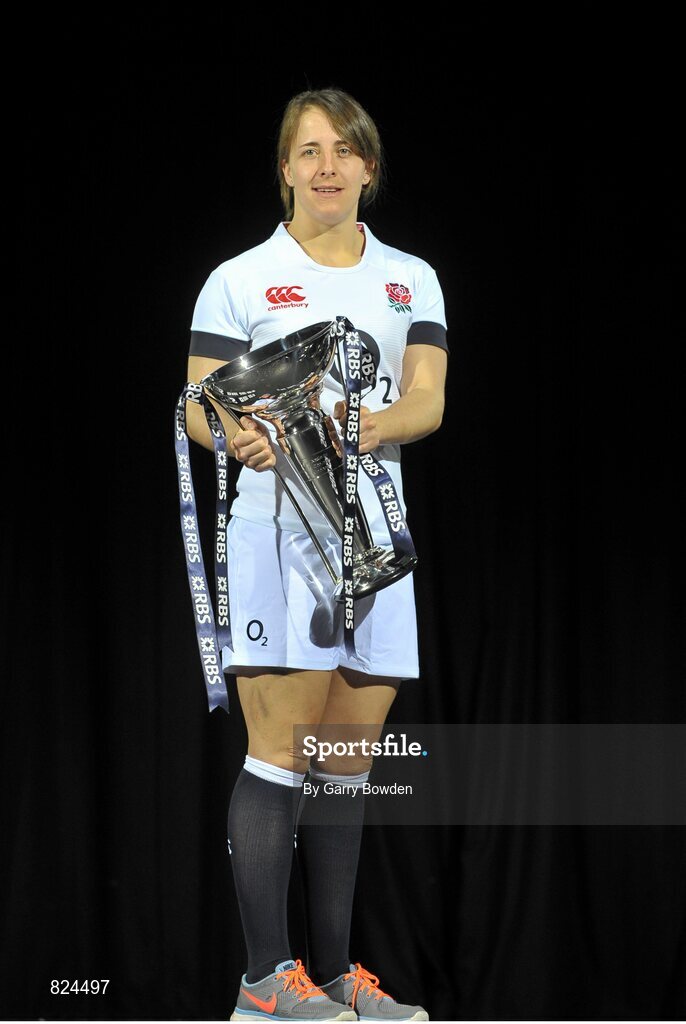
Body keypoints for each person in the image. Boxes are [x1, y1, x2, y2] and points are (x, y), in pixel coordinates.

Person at [185, 87, 448, 1022]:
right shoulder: (241, 277)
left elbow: (428, 400)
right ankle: (264, 985)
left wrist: (358, 428)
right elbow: (198, 405)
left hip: (374, 537)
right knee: (280, 751)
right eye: (308, 151)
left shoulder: (411, 276)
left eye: (344, 150)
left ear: (369, 168)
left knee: (344, 759)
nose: (327, 165)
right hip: (277, 539)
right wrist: (243, 435)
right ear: (286, 170)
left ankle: (333, 979)